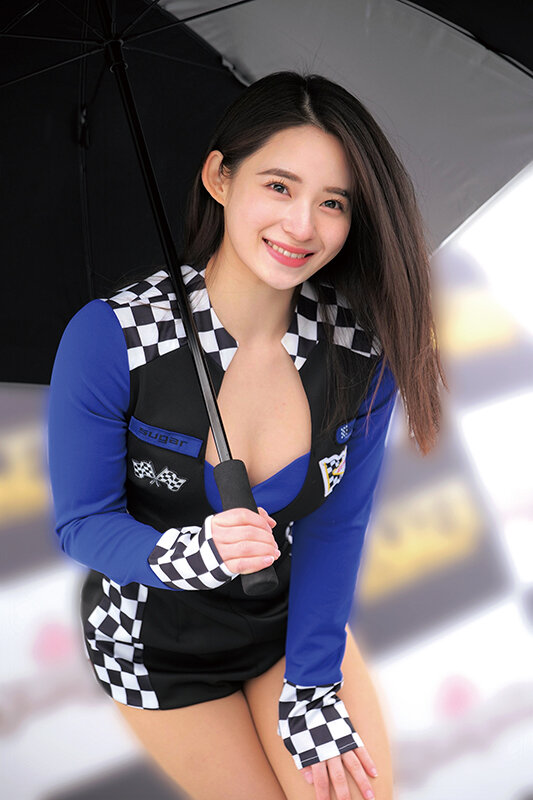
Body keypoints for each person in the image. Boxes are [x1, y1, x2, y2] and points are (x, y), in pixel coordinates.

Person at [47, 71, 446, 800]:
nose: (302, 226)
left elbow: (335, 528)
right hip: (154, 645)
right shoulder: (111, 337)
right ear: (219, 178)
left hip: (290, 629)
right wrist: (180, 554)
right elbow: (82, 523)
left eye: (333, 202)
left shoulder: (360, 352)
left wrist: (313, 688)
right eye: (279, 186)